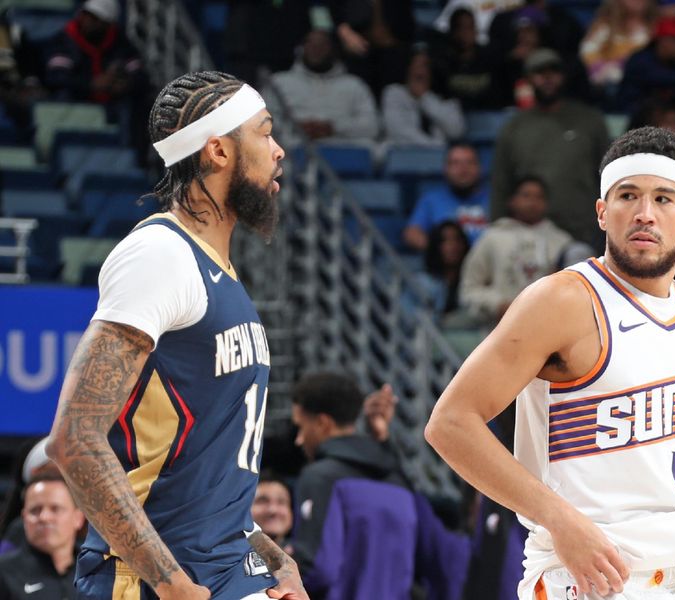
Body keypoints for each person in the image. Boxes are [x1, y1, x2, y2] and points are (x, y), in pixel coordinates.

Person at [426, 126, 675, 599]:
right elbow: (449, 423)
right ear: (602, 211)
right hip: (579, 577)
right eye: (628, 195)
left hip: (666, 578)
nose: (645, 213)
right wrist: (558, 517)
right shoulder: (560, 300)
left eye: (664, 199)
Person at [45, 71, 307, 600]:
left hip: (231, 570)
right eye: (264, 132)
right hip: (159, 581)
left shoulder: (219, 269)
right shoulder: (160, 256)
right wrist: (172, 586)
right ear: (218, 151)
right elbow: (74, 439)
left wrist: (278, 562)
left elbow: (208, 471)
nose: (278, 150)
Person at [290, 372, 418, 600]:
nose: (298, 440)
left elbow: (319, 568)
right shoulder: (398, 481)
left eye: (301, 427)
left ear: (322, 423)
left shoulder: (319, 477)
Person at [489, 48, 608, 248]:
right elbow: (501, 183)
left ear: (563, 76)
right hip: (528, 235)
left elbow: (608, 176)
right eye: (539, 73)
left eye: (553, 72)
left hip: (582, 231)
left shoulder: (590, 121)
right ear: (528, 80)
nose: (547, 79)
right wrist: (497, 229)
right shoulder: (514, 127)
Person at [460, 176, 573, 324]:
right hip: (500, 328)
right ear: (512, 201)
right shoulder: (492, 238)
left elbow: (575, 292)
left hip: (549, 327)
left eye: (539, 197)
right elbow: (469, 289)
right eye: (526, 195)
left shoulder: (561, 241)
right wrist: (499, 305)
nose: (532, 202)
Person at [269, 29, 379, 146]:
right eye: (310, 43)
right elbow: (261, 123)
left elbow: (372, 126)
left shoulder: (354, 84)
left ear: (333, 49)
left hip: (343, 152)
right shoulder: (279, 82)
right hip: (289, 153)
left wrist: (332, 128)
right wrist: (299, 128)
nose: (316, 48)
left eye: (323, 44)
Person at [0, 473, 85, 600]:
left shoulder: (96, 570)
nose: (44, 517)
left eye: (55, 509)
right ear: (24, 519)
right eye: (35, 510)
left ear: (78, 518)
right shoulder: (3, 573)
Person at [403, 142, 490, 251]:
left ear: (480, 168)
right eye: (456, 163)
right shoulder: (431, 200)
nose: (463, 169)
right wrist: (440, 251)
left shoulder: (495, 199)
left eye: (469, 162)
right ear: (446, 169)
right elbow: (412, 234)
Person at [382, 46, 466, 147]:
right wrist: (433, 147)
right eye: (415, 65)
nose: (419, 71)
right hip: (403, 155)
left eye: (424, 65)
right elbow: (397, 131)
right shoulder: (394, 93)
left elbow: (456, 131)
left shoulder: (444, 98)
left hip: (437, 158)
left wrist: (425, 98)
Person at [251, 475, 293, 551]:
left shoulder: (310, 559)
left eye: (281, 502)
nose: (273, 510)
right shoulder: (229, 558)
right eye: (262, 501)